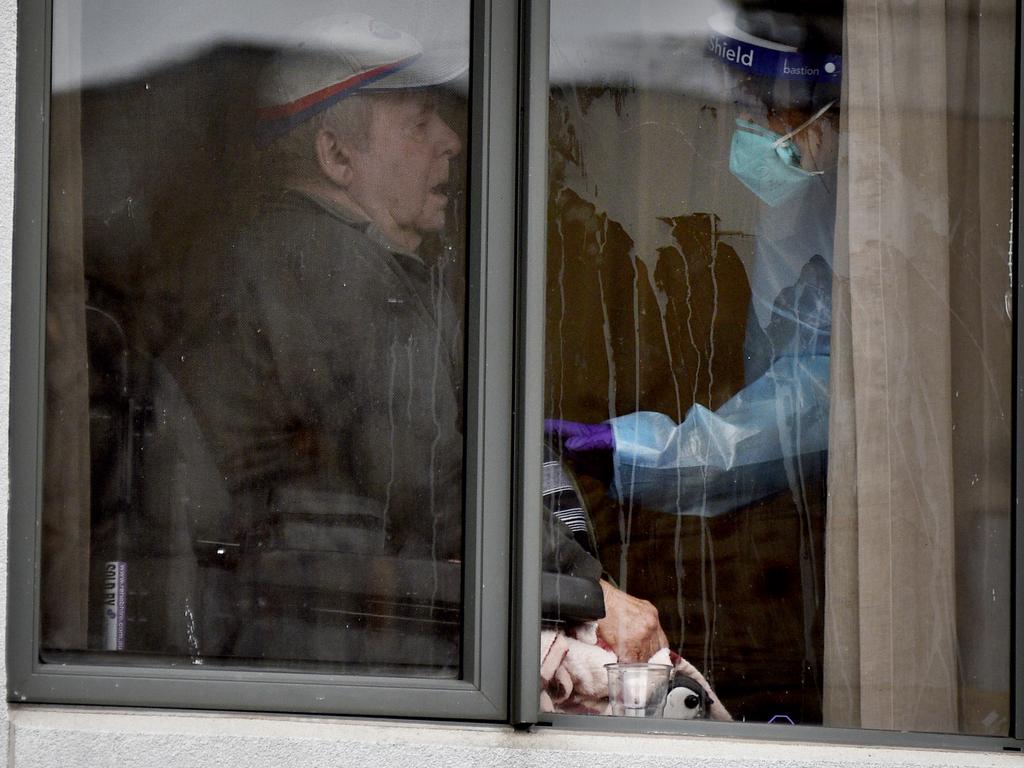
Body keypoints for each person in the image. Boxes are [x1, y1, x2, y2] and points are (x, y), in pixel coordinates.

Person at [547, 1, 842, 520]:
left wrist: (649, 454)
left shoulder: (890, 214)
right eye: (743, 103)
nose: (748, 126)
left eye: (765, 107)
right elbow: (788, 373)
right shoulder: (799, 202)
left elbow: (820, 401)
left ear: (826, 112)